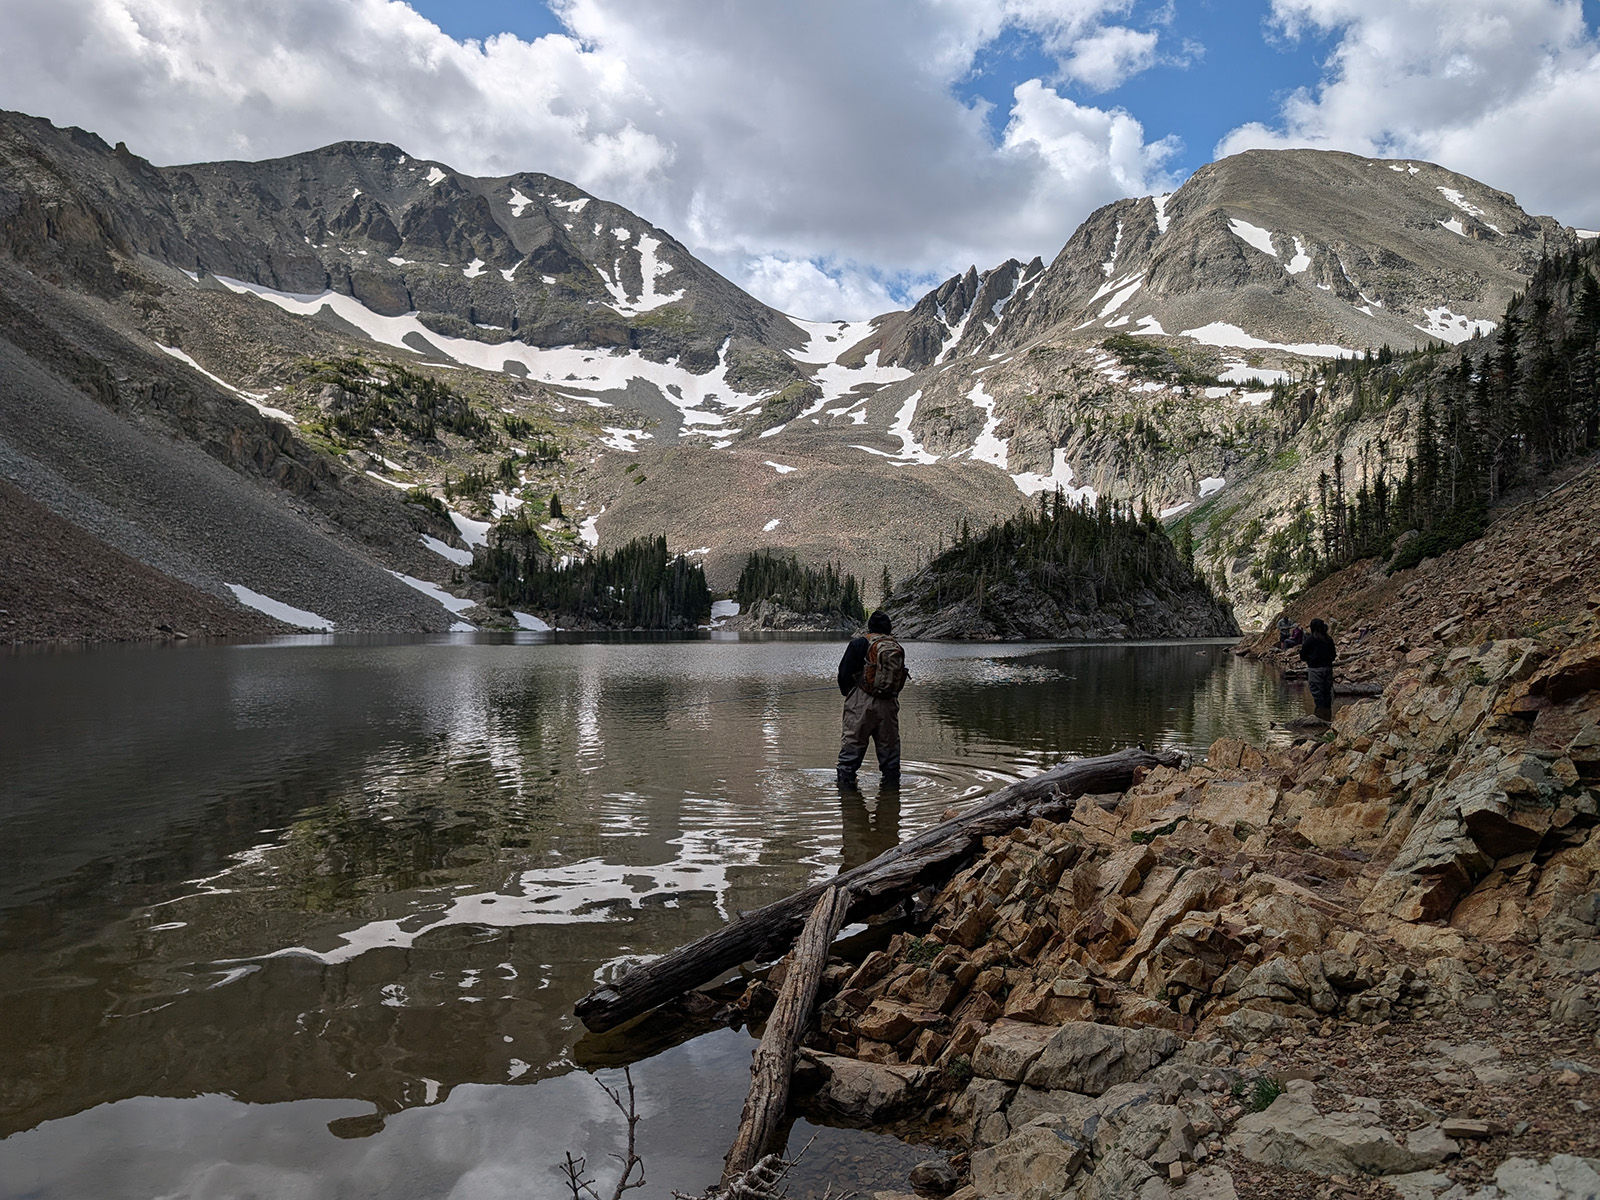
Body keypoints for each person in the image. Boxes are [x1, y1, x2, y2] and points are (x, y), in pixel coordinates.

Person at [836, 610, 908, 788]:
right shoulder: (896, 647)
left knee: (851, 753)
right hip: (889, 704)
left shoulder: (858, 644)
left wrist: (850, 694)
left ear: (870, 627)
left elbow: (843, 675)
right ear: (888, 628)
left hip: (861, 704)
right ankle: (890, 801)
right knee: (890, 755)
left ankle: (847, 798)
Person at [1299, 617, 1337, 721]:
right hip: (1328, 668)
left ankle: (1321, 717)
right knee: (1327, 692)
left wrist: (1309, 659)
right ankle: (1328, 714)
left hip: (1315, 669)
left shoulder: (1310, 640)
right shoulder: (1328, 639)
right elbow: (1333, 655)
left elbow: (1303, 655)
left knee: (1317, 692)